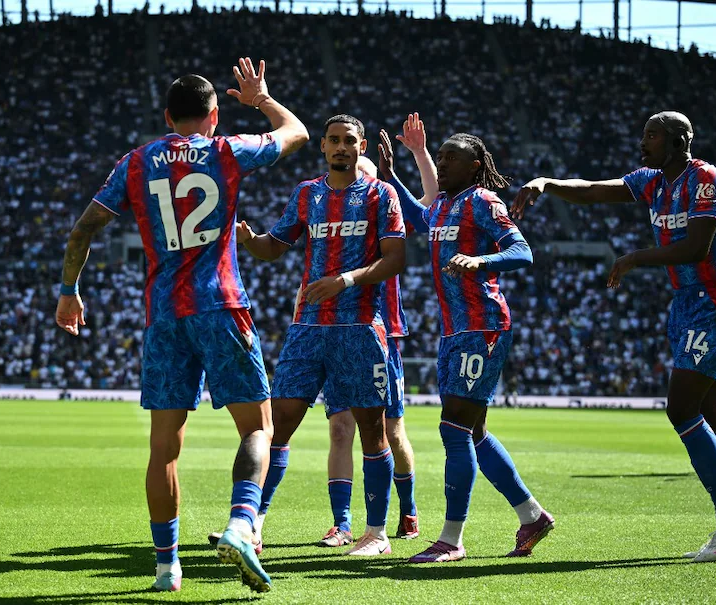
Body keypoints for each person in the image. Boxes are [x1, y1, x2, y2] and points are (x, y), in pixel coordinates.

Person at [54, 60, 308, 593]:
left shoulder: (136, 162)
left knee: (163, 446)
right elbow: (297, 134)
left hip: (165, 315)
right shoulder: (227, 150)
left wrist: (69, 293)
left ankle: (167, 567)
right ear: (214, 115)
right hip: (220, 304)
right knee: (257, 428)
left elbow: (82, 231)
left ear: (168, 116)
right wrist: (260, 99)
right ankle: (242, 524)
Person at [512, 110, 716, 562]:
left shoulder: (706, 179)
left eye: (653, 135)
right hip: (686, 302)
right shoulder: (652, 181)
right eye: (644, 134)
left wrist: (635, 257)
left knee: (680, 408)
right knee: (707, 406)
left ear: (680, 140)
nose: (644, 142)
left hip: (715, 299)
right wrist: (547, 182)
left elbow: (697, 247)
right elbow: (592, 191)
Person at [233, 114, 407, 557]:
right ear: (324, 147)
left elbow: (395, 259)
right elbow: (275, 246)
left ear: (361, 147)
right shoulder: (307, 194)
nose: (341, 148)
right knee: (276, 426)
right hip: (308, 329)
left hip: (360, 329)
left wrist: (345, 280)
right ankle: (253, 523)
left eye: (350, 141)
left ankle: (376, 534)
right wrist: (249, 239)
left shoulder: (380, 194)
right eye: (334, 141)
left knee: (373, 431)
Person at [380, 129, 555, 563]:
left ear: (475, 166)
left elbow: (522, 250)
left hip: (483, 326)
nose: (441, 163)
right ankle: (531, 515)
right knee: (473, 432)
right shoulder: (443, 205)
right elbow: (420, 219)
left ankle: (451, 540)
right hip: (455, 330)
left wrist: (481, 260)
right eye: (439, 155)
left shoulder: (482, 201)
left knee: (453, 428)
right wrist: (391, 175)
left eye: (451, 157)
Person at [317, 117, 434, 547]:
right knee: (339, 428)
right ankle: (342, 523)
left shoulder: (386, 211)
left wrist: (419, 155)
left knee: (389, 429)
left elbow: (431, 203)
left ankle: (407, 510)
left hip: (382, 333)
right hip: (333, 329)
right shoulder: (329, 215)